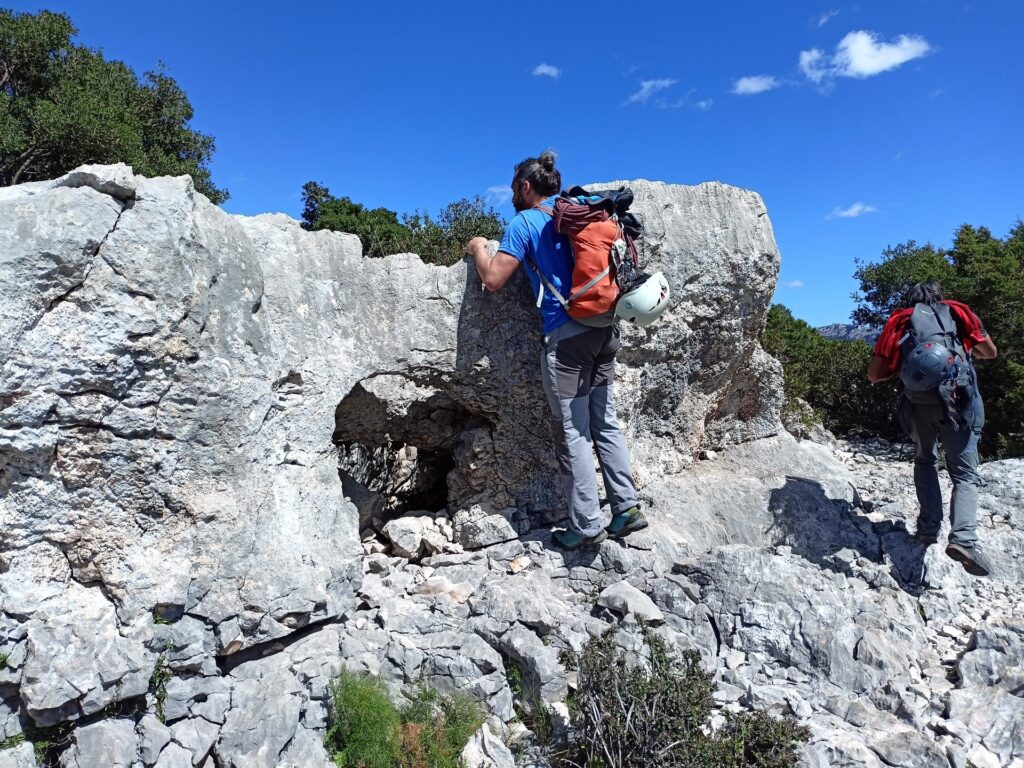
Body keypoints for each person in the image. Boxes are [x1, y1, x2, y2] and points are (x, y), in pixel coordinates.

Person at [464, 151, 646, 549]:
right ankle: (627, 508)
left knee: (573, 431)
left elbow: (494, 279)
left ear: (526, 187)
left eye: (514, 189)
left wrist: (479, 246)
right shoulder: (583, 212)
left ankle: (584, 525)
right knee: (605, 421)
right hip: (605, 329)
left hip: (567, 340)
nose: (512, 196)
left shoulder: (524, 222)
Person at [867, 280, 998, 575]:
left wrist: (910, 370)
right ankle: (964, 540)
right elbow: (990, 352)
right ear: (940, 298)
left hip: (918, 406)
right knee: (964, 472)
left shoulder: (900, 321)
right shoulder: (959, 313)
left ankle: (927, 530)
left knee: (925, 460)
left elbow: (874, 375)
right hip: (960, 402)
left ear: (910, 300)